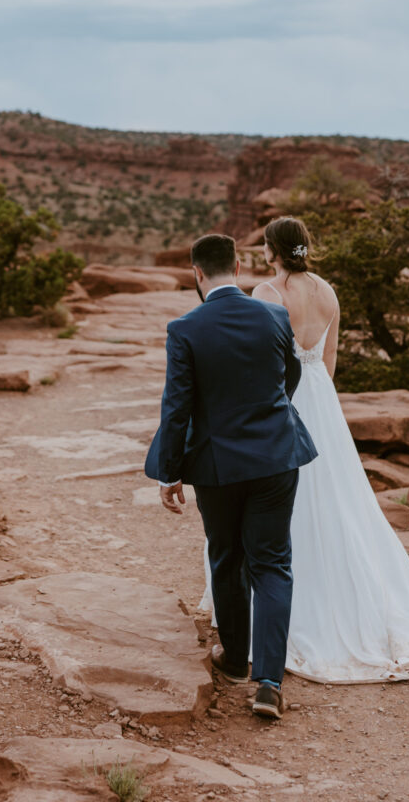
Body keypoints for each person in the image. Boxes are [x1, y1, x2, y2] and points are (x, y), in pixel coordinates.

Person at [203, 216, 409, 683]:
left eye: (265, 245)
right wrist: (318, 402)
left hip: (279, 401)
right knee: (335, 498)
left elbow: (261, 361)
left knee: (275, 503)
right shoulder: (328, 292)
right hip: (322, 404)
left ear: (273, 250)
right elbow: (328, 363)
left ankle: (271, 615)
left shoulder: (268, 294)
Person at [145, 233, 317, 719]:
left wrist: (169, 473)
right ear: (238, 267)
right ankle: (268, 683)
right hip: (277, 457)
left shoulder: (185, 328)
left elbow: (177, 408)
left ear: (197, 273)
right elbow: (290, 379)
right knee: (273, 563)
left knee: (226, 556)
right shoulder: (274, 315)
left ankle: (235, 660)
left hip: (217, 467)